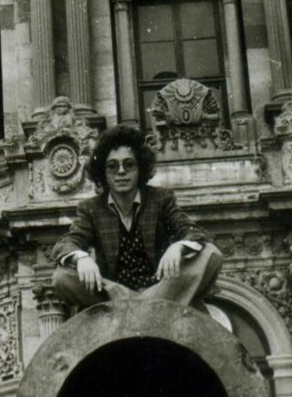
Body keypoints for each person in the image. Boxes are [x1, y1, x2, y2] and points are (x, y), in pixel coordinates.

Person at [52, 125, 222, 309]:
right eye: (112, 166)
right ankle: (148, 309)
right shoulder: (91, 208)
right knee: (61, 277)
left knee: (211, 254)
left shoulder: (161, 199)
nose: (121, 171)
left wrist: (178, 247)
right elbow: (65, 244)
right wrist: (82, 258)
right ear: (103, 172)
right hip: (113, 294)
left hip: (161, 288)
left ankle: (138, 308)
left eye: (129, 164)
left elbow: (194, 233)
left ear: (140, 168)